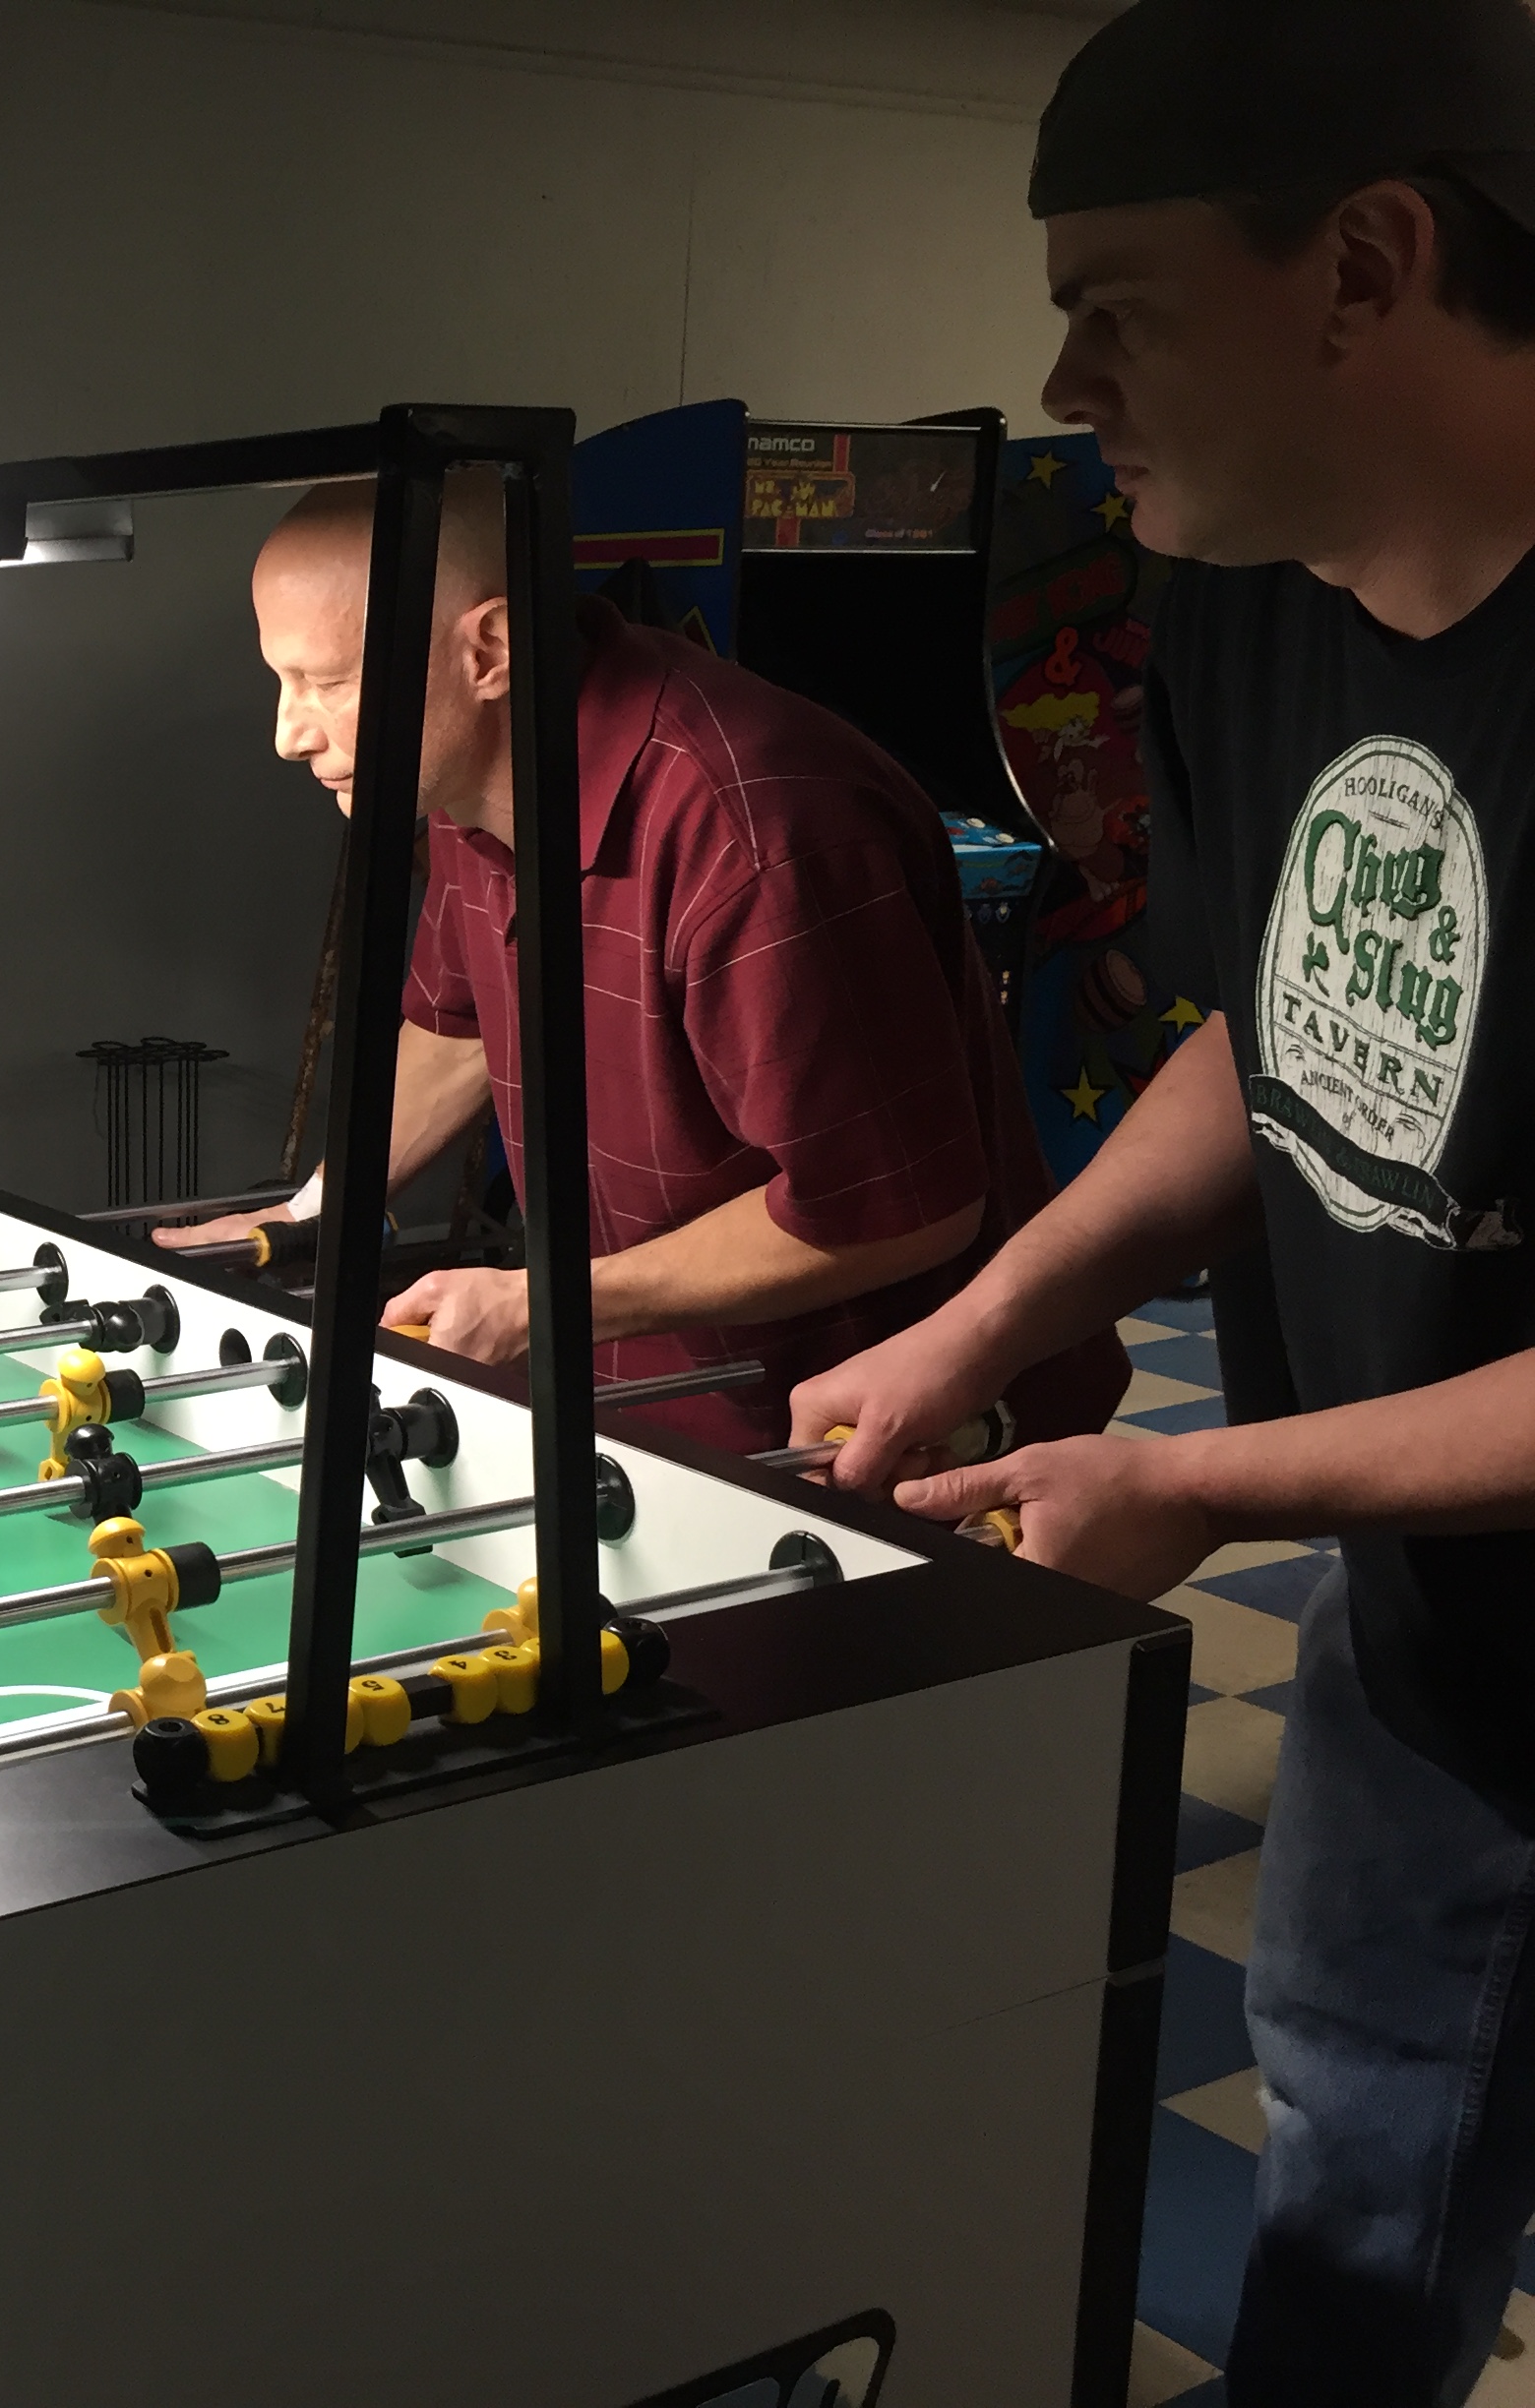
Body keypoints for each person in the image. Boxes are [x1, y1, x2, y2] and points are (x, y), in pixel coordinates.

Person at [793, 3, 1535, 2392]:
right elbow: (1274, 1030)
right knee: (1351, 2190)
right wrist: (980, 1317)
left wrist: (1196, 1478)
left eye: (1115, 300)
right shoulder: (1250, 587)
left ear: (1366, 265)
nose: (1064, 378)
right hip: (1434, 1640)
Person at [163, 479, 1126, 1456]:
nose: (290, 732)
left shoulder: (756, 832)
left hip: (884, 1425)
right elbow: (460, 1033)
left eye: (327, 682)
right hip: (647, 1385)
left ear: (487, 652)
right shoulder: (472, 772)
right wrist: (313, 1212)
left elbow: (898, 1216)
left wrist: (543, 1305)